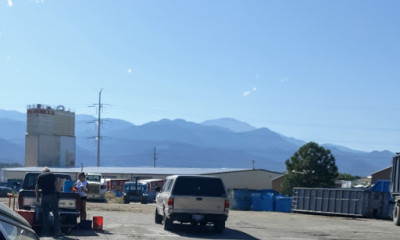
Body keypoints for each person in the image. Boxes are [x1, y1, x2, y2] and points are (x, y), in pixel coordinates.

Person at [35, 167, 63, 236]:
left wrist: (37, 196)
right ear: (49, 171)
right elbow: (56, 186)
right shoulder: (52, 175)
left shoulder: (40, 176)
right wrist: (58, 194)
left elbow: (36, 187)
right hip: (52, 196)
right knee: (55, 214)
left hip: (44, 196)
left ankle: (46, 231)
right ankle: (57, 231)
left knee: (45, 214)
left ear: (43, 172)